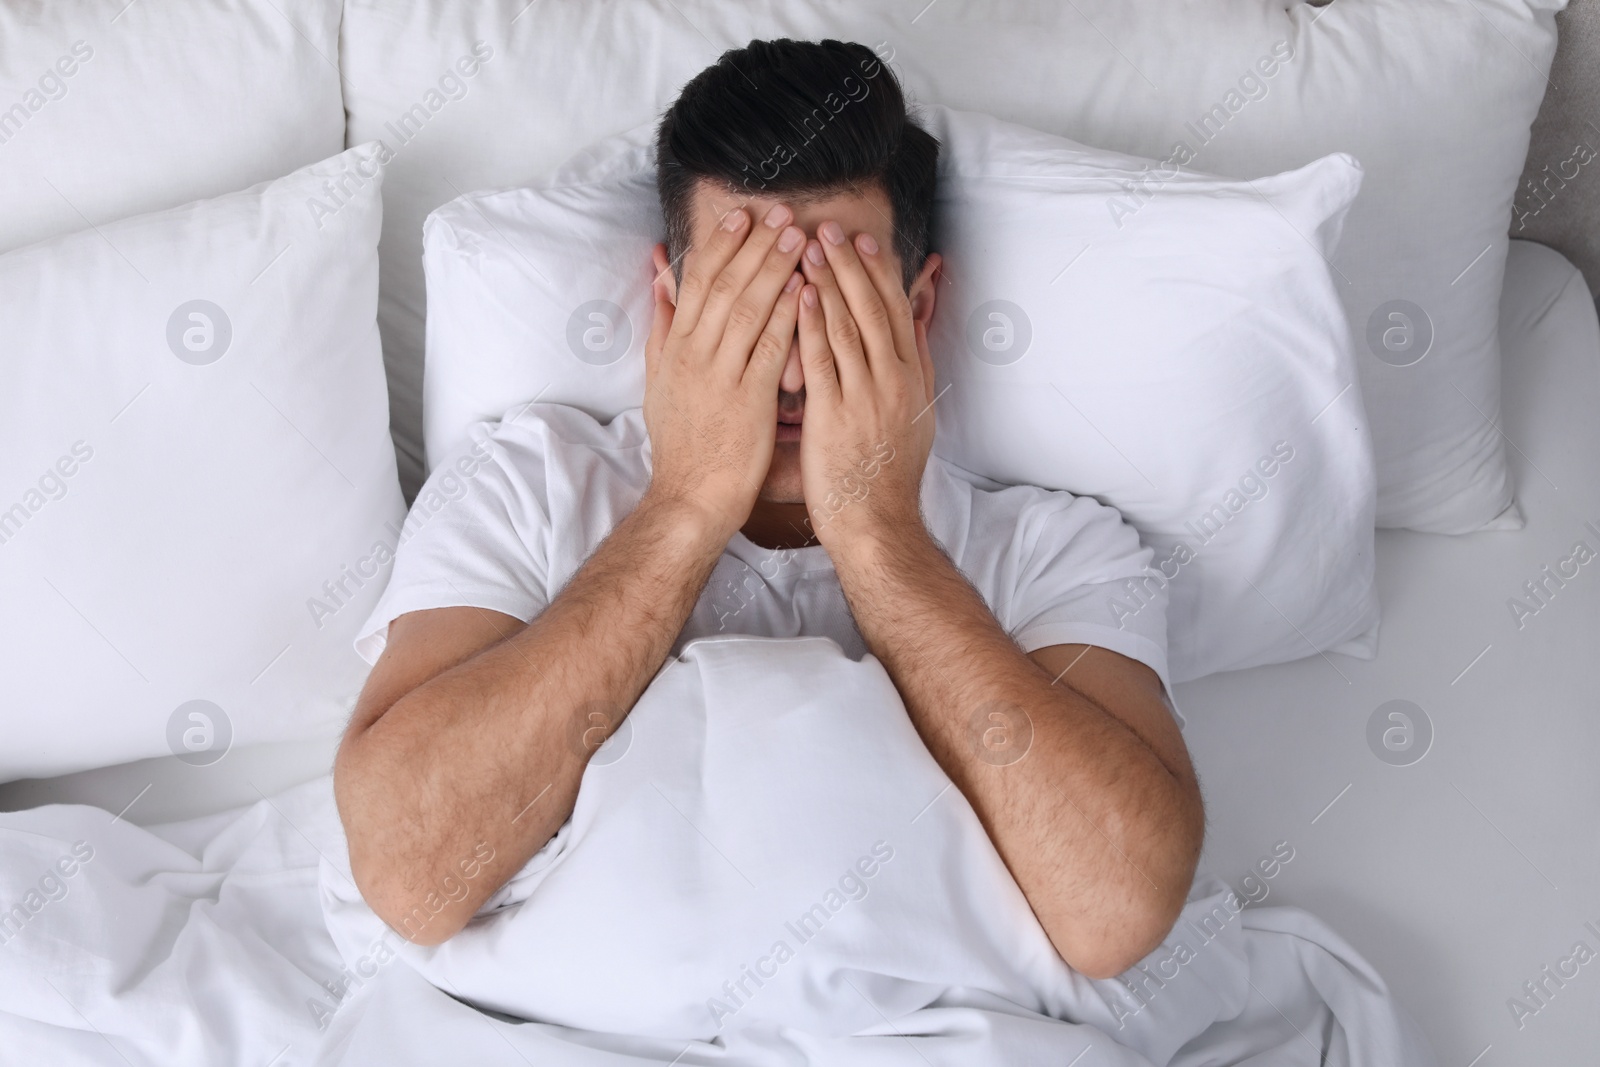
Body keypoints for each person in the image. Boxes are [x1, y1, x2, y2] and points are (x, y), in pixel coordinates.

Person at [332, 38, 1203, 982]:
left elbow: (1119, 912)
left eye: (834, 305)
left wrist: (879, 532)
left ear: (917, 311)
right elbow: (409, 874)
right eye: (747, 308)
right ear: (668, 303)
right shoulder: (521, 486)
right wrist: (687, 504)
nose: (789, 367)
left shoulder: (1057, 552)